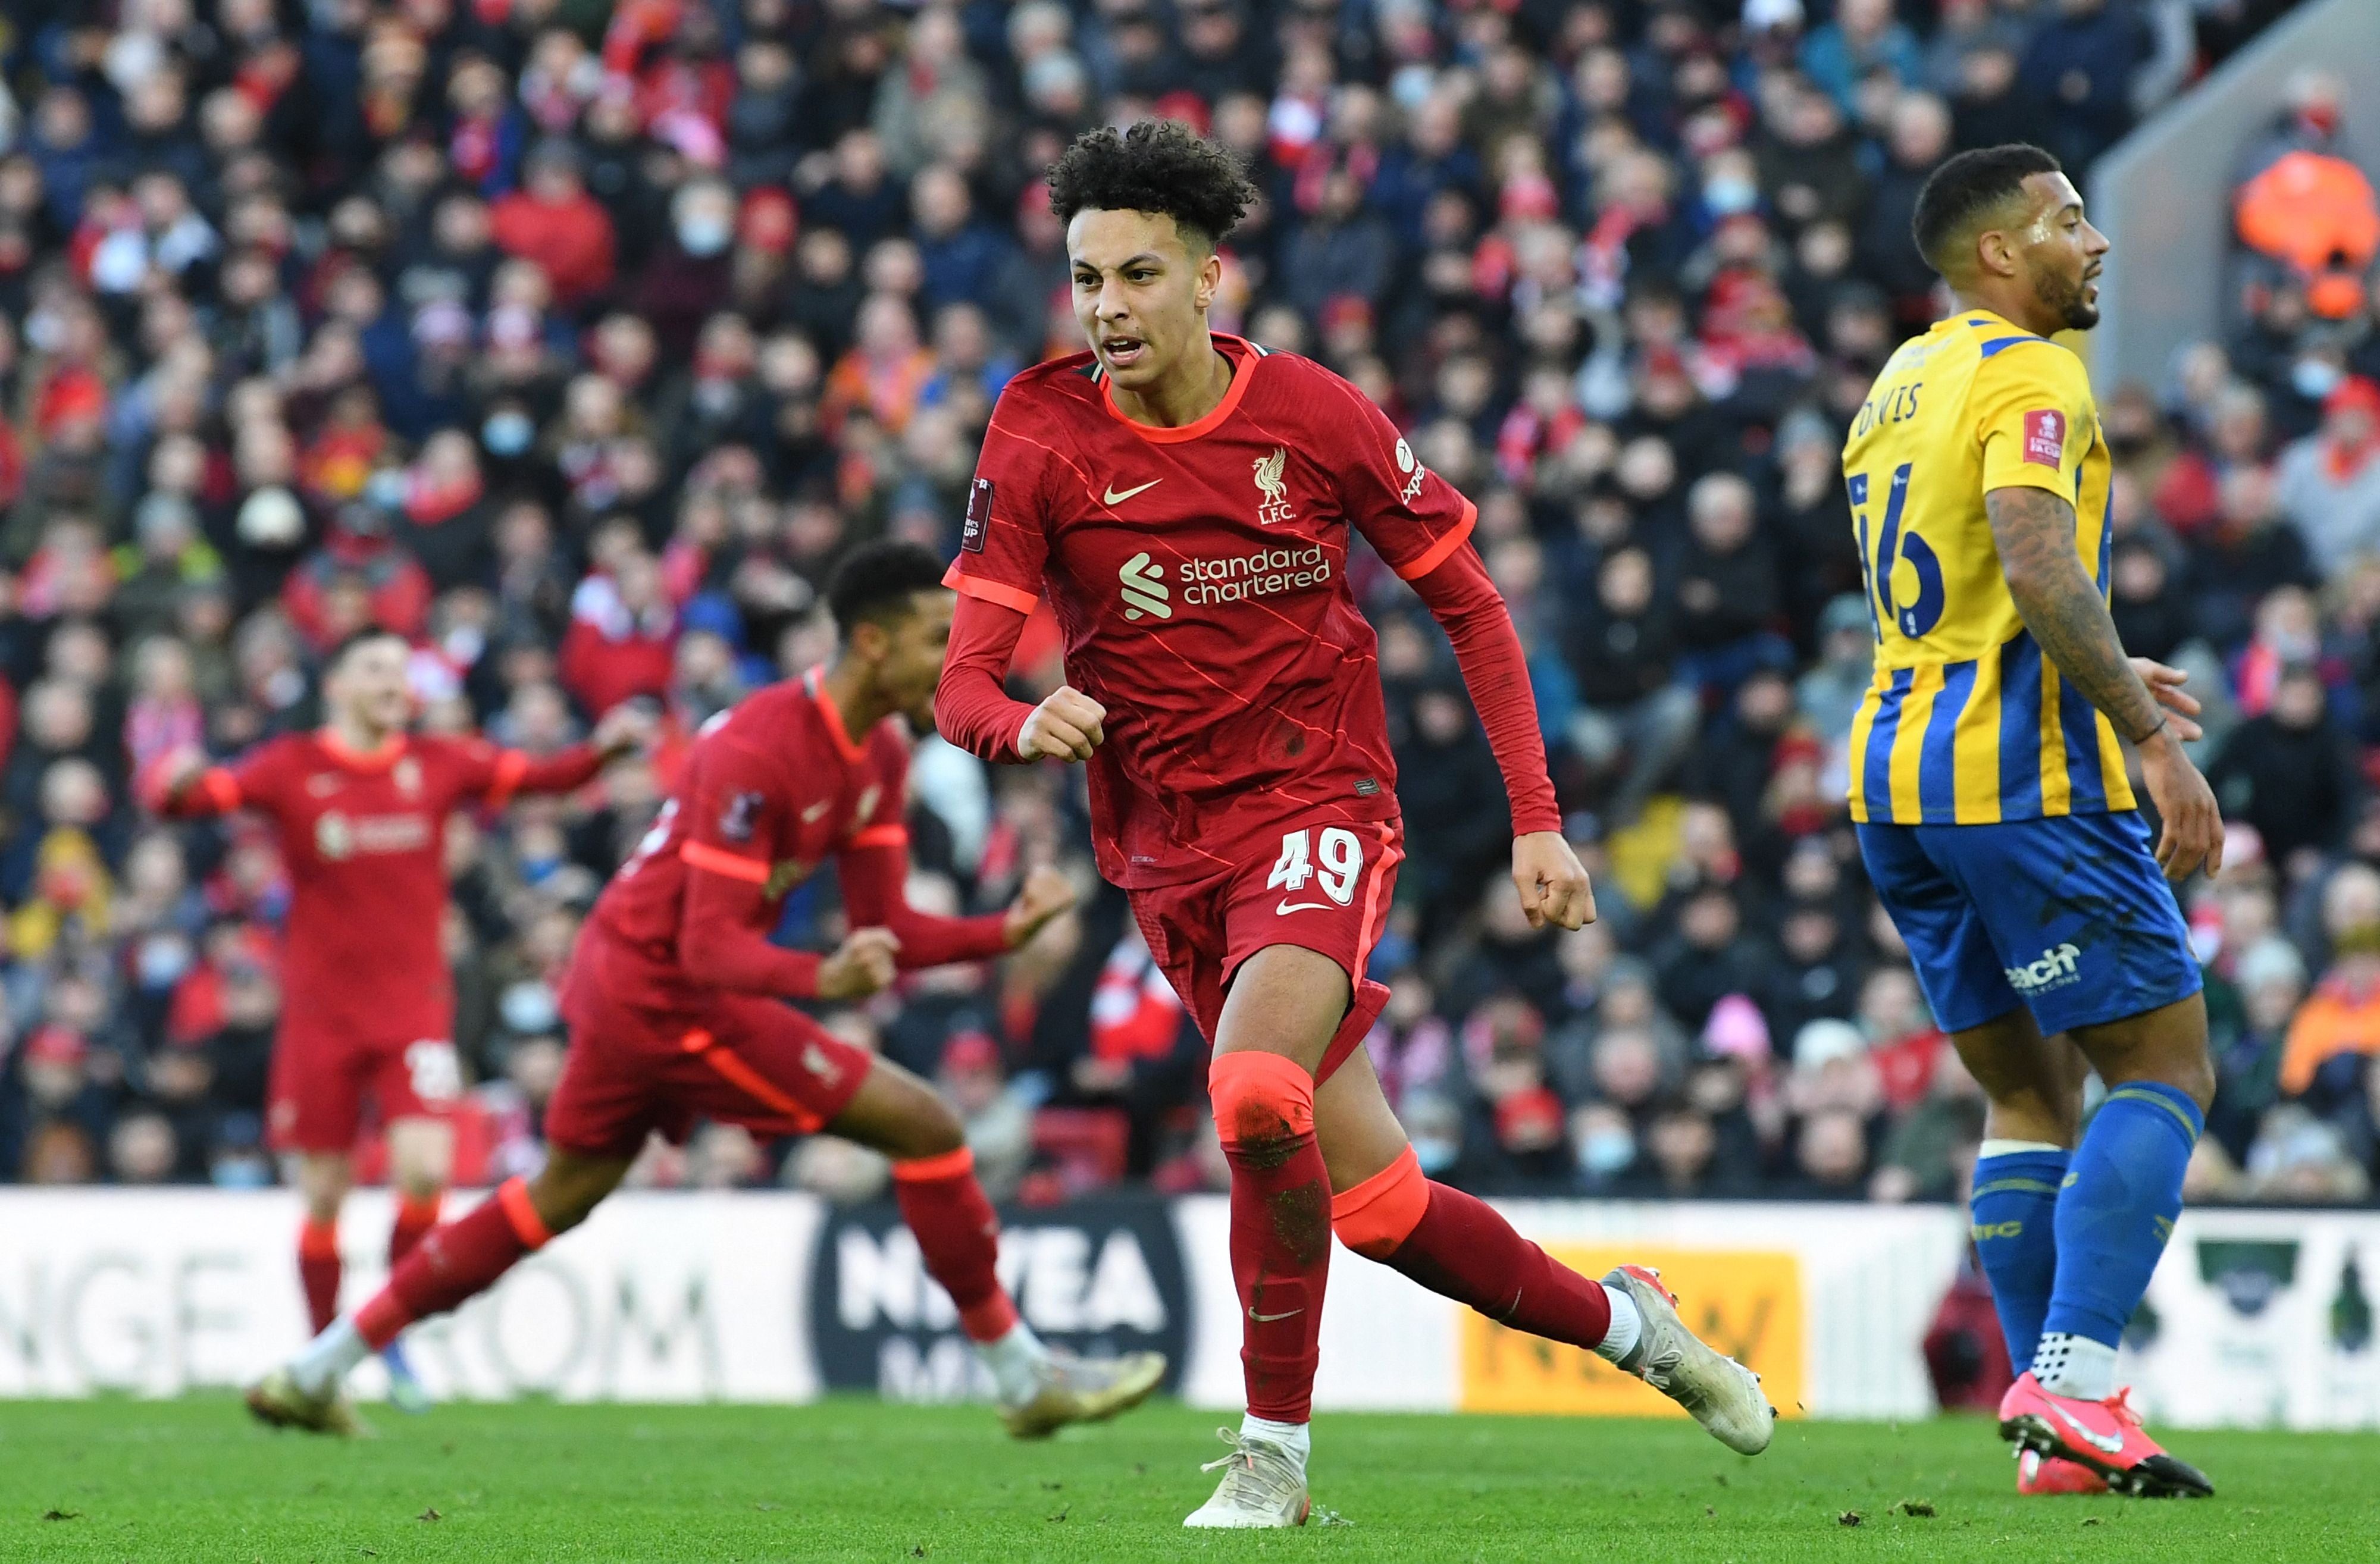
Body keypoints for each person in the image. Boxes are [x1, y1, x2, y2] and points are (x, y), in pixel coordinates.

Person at [932, 122, 1772, 1529]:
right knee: (1376, 1207)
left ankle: (1272, 1459)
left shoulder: (1311, 414)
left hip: (1319, 808)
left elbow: (1471, 603)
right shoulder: (1036, 429)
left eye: (1139, 274)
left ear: (1209, 278)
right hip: (1162, 852)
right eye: (1085, 279)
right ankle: (1637, 1330)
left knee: (1252, 1096)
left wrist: (1536, 822)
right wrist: (1020, 722)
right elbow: (961, 676)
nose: (1107, 308)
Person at [245, 542, 1165, 1441]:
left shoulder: (879, 756)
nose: (962, 661)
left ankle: (319, 1365)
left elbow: (887, 925)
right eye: (939, 639)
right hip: (662, 992)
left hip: (636, 976)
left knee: (556, 1194)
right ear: (875, 644)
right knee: (923, 1126)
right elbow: (710, 945)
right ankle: (1021, 1373)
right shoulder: (763, 745)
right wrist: (819, 976)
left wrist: (1001, 931)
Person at [1846, 143, 2222, 1499]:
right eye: (2069, 222)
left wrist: (2107, 658)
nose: (2096, 242)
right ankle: (2070, 1384)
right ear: (1999, 255)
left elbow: (1968, 582)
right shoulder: (2027, 371)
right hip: (2021, 781)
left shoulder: (1899, 380)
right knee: (2167, 1066)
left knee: (2023, 1091)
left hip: (1894, 778)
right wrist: (2143, 736)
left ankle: (2049, 1435)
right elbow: (2029, 549)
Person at [148, 628, 650, 1407]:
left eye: (401, 671)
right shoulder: (293, 766)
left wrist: (604, 752)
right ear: (339, 685)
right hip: (320, 1020)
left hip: (415, 1013)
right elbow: (196, 798)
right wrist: (166, 778)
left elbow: (542, 778)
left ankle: (390, 1332)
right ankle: (321, 1364)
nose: (396, 683)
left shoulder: (439, 762)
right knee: (324, 1195)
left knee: (424, 1172)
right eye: (377, 669)